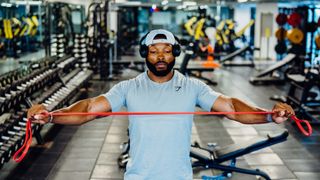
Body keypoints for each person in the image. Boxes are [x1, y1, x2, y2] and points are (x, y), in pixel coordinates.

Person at [28, 29, 295, 180]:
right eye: (154, 51)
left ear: (175, 54)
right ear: (145, 54)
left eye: (167, 50)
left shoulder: (192, 87)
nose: (160, 56)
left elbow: (234, 108)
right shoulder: (128, 88)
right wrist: (50, 116)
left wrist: (271, 116)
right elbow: (87, 110)